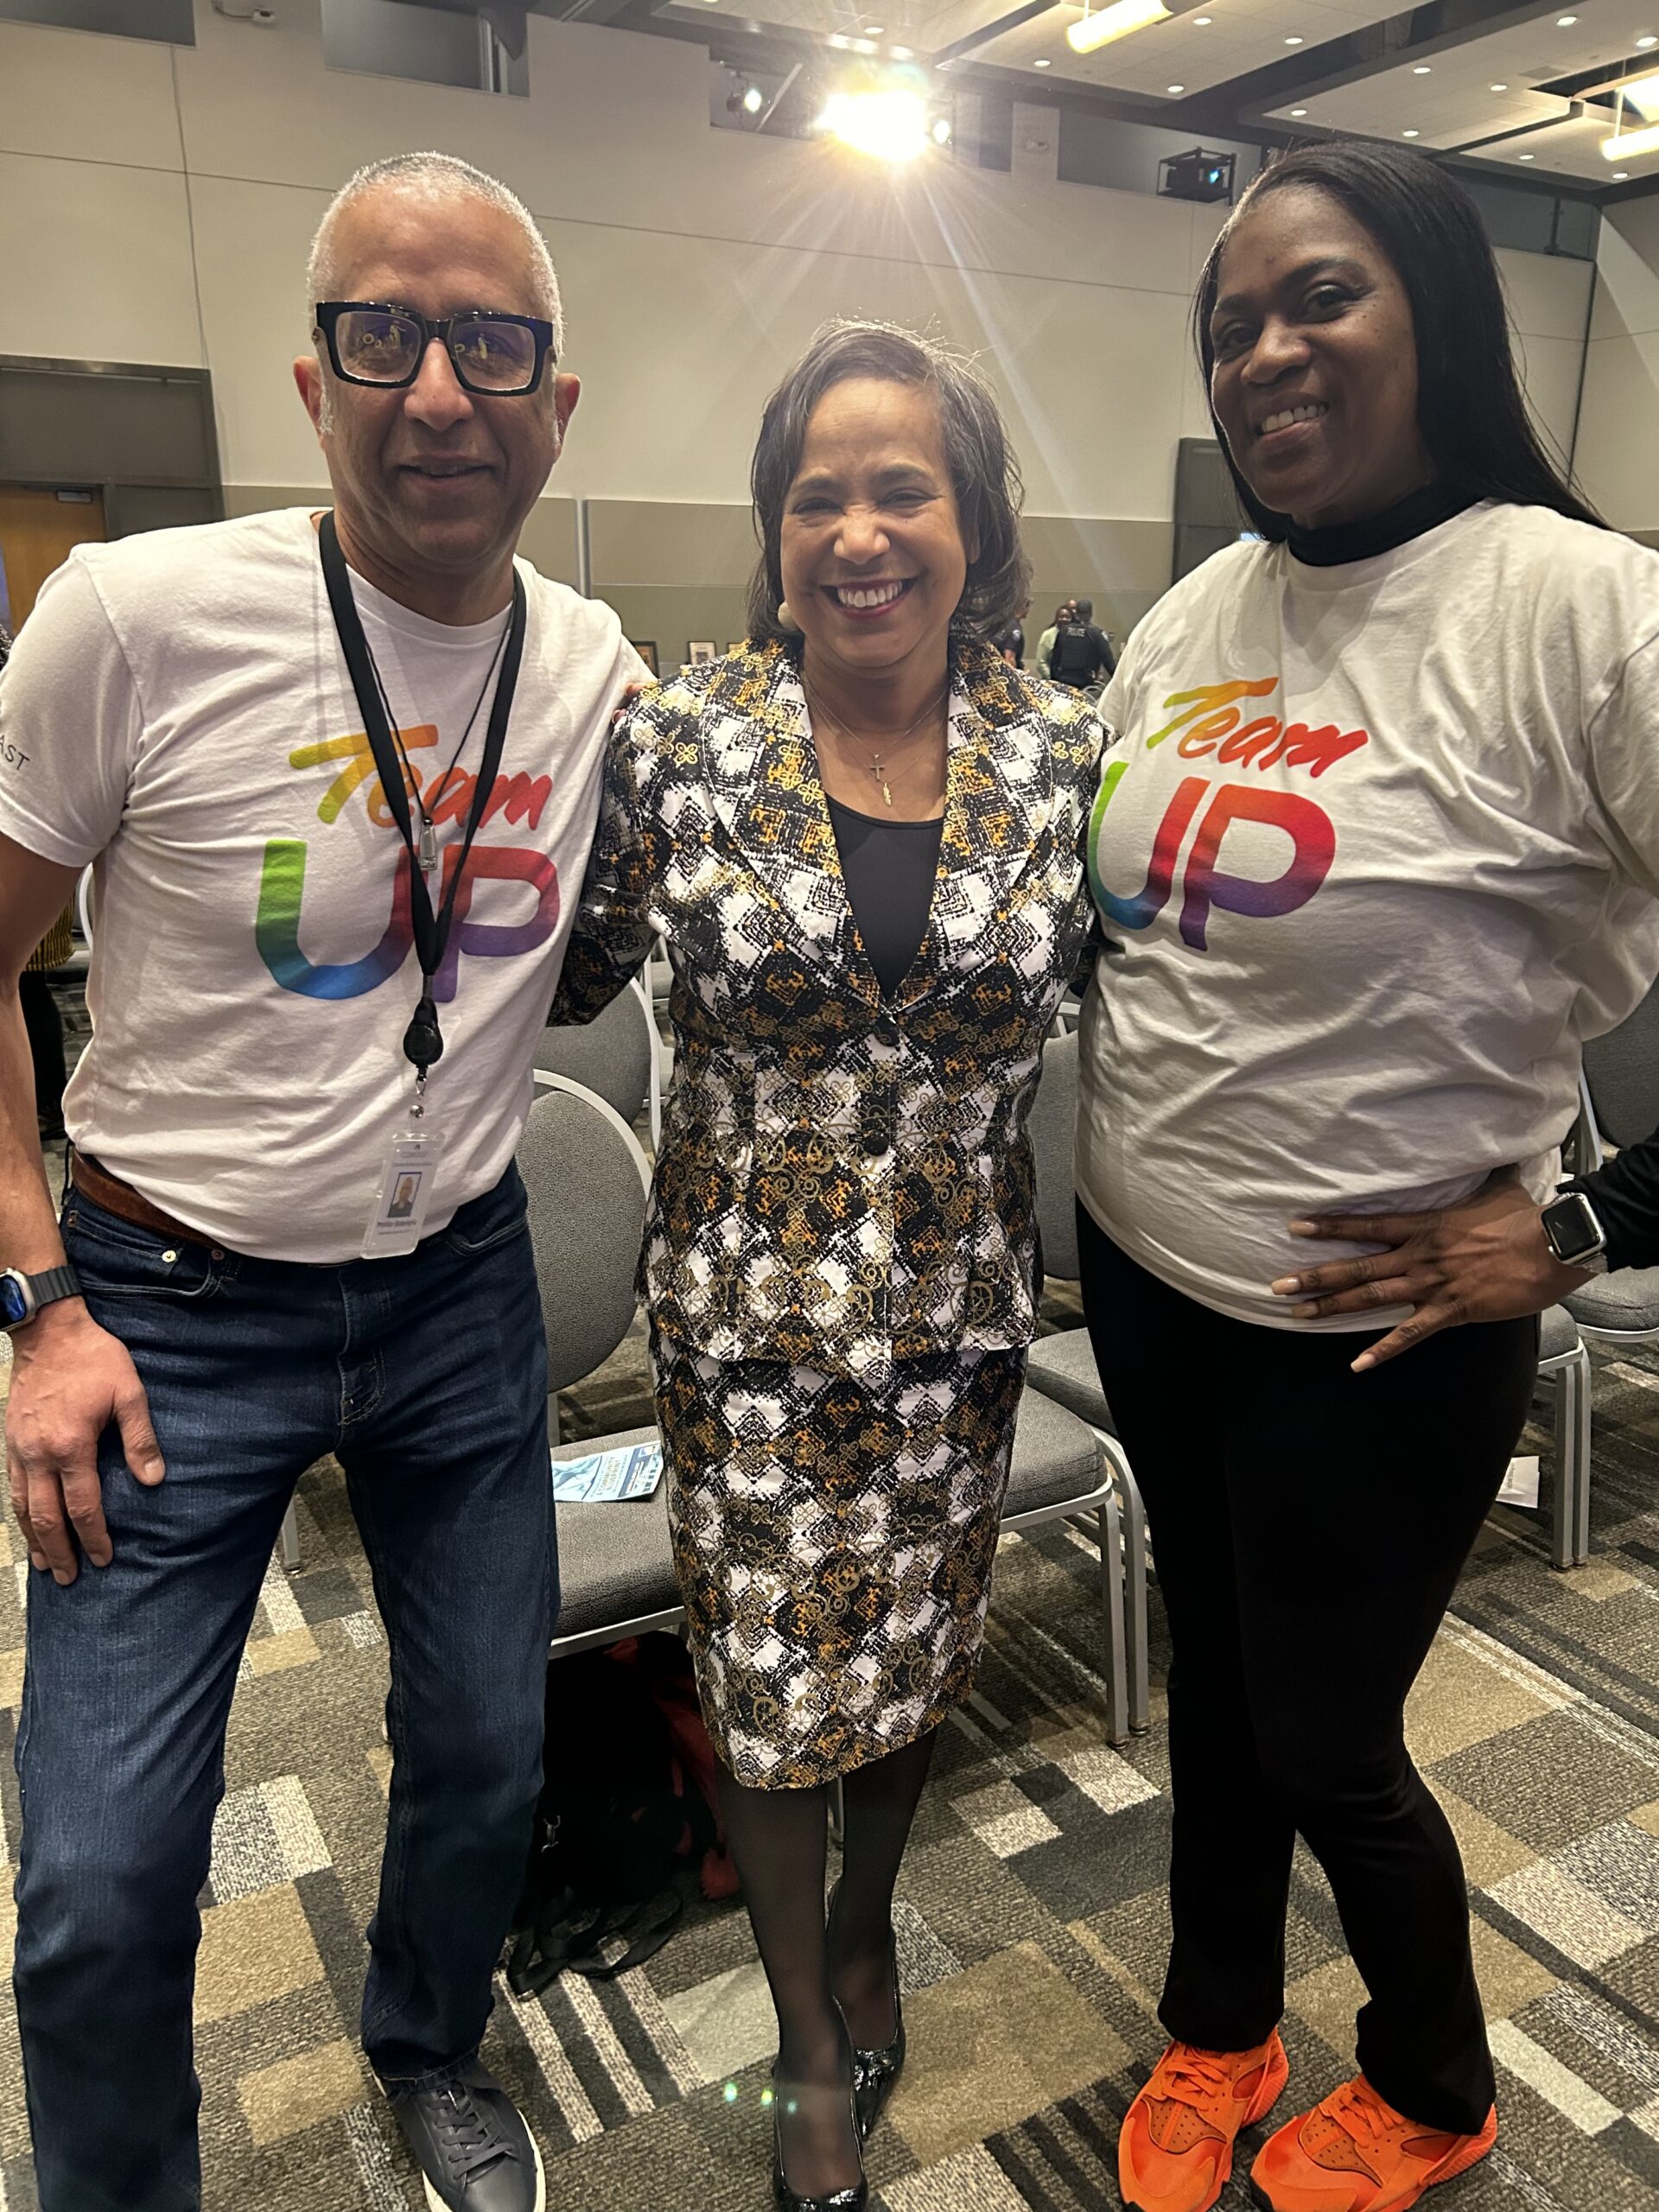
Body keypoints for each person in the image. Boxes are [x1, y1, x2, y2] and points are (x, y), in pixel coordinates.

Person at [0, 150, 645, 2212]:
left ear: (560, 397)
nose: (438, 388)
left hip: (457, 1281)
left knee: (483, 1751)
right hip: (164, 1302)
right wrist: (41, 1302)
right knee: (101, 1877)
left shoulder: (600, 665)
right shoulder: (134, 615)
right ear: (312, 378)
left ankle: (426, 2034)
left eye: (491, 343)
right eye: (386, 333)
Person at [1073, 140, 1659, 2212]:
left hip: (1379, 1316)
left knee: (1326, 1733)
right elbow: (1124, 927)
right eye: (1231, 318)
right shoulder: (1194, 613)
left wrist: (1586, 1224)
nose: (1263, 350)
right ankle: (1217, 2018)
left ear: (1437, 311)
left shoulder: (1577, 605)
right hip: (1147, 1261)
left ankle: (1435, 2077)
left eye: (1317, 297)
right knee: (1220, 1684)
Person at [551, 321, 1102, 2212]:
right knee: (776, 1692)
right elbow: (561, 974)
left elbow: (1177, 999)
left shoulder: (1058, 754)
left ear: (974, 521)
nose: (859, 533)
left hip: (958, 1333)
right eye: (817, 498)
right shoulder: (680, 740)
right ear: (774, 538)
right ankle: (805, 2031)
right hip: (746, 1341)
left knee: (911, 1674)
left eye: (901, 490)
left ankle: (868, 1927)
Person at [1046, 595, 1116, 694]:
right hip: (1085, 684)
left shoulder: (1063, 632)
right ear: (1091, 614)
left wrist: (1055, 681)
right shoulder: (1095, 633)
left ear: (1076, 613)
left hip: (1064, 683)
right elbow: (1108, 662)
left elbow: (1054, 660)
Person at [1034, 596, 1074, 677]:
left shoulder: (1074, 635)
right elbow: (1041, 662)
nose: (1064, 619)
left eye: (1067, 617)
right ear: (1056, 618)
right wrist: (1052, 678)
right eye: (1061, 616)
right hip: (1051, 682)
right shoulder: (1047, 635)